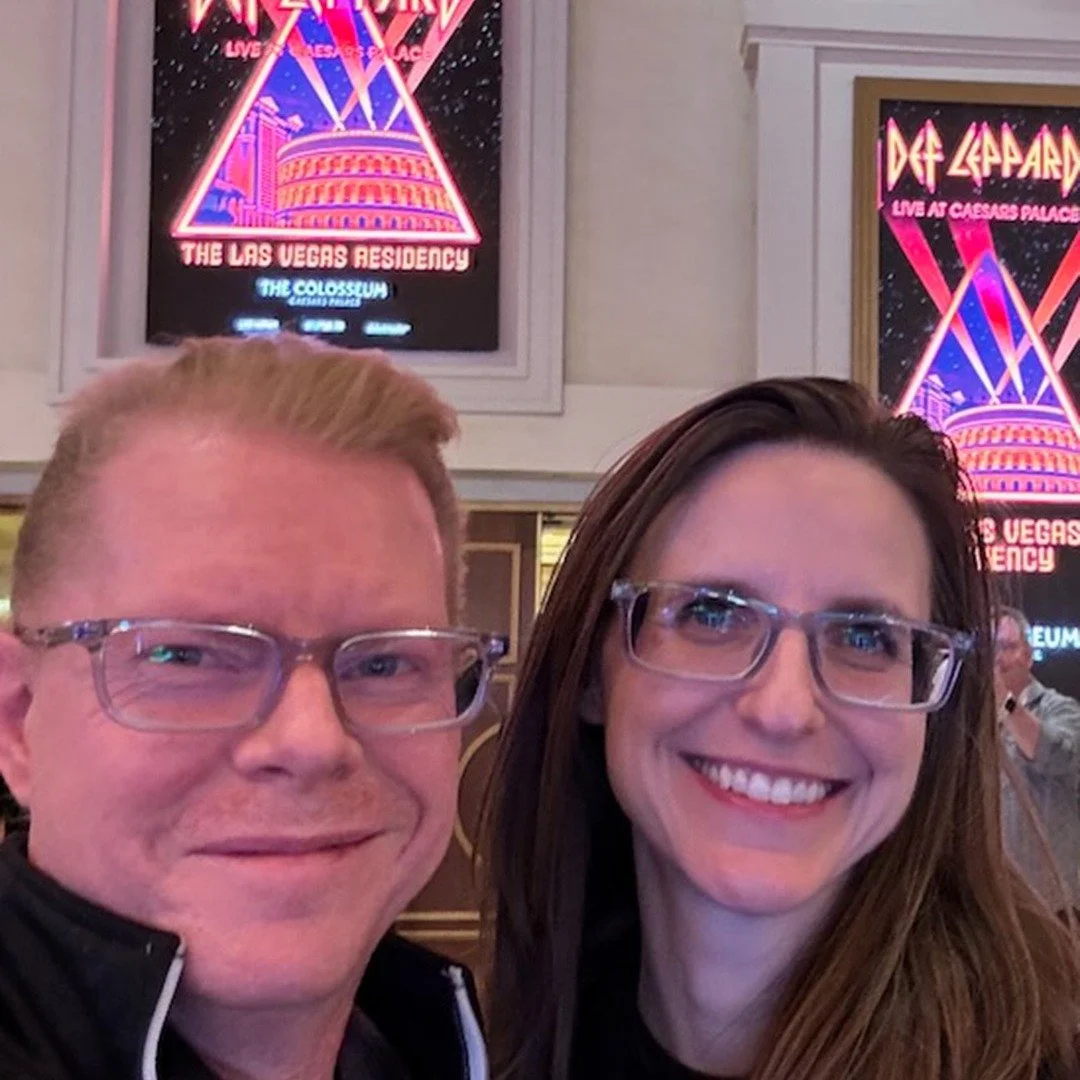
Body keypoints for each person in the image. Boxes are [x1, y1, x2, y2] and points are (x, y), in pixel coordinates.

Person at [483, 377, 1080, 1080]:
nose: (784, 709)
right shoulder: (493, 1045)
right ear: (591, 670)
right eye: (711, 613)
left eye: (865, 637)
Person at [0, 334, 506, 1080]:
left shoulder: (448, 1043)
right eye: (185, 656)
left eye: (384, 663)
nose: (312, 741)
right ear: (18, 720)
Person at [996, 606, 1080, 912]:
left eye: (1006, 647)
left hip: (1052, 905)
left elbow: (1056, 753)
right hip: (994, 900)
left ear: (1029, 656)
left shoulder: (1059, 708)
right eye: (989, 649)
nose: (996, 659)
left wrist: (1005, 704)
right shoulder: (972, 719)